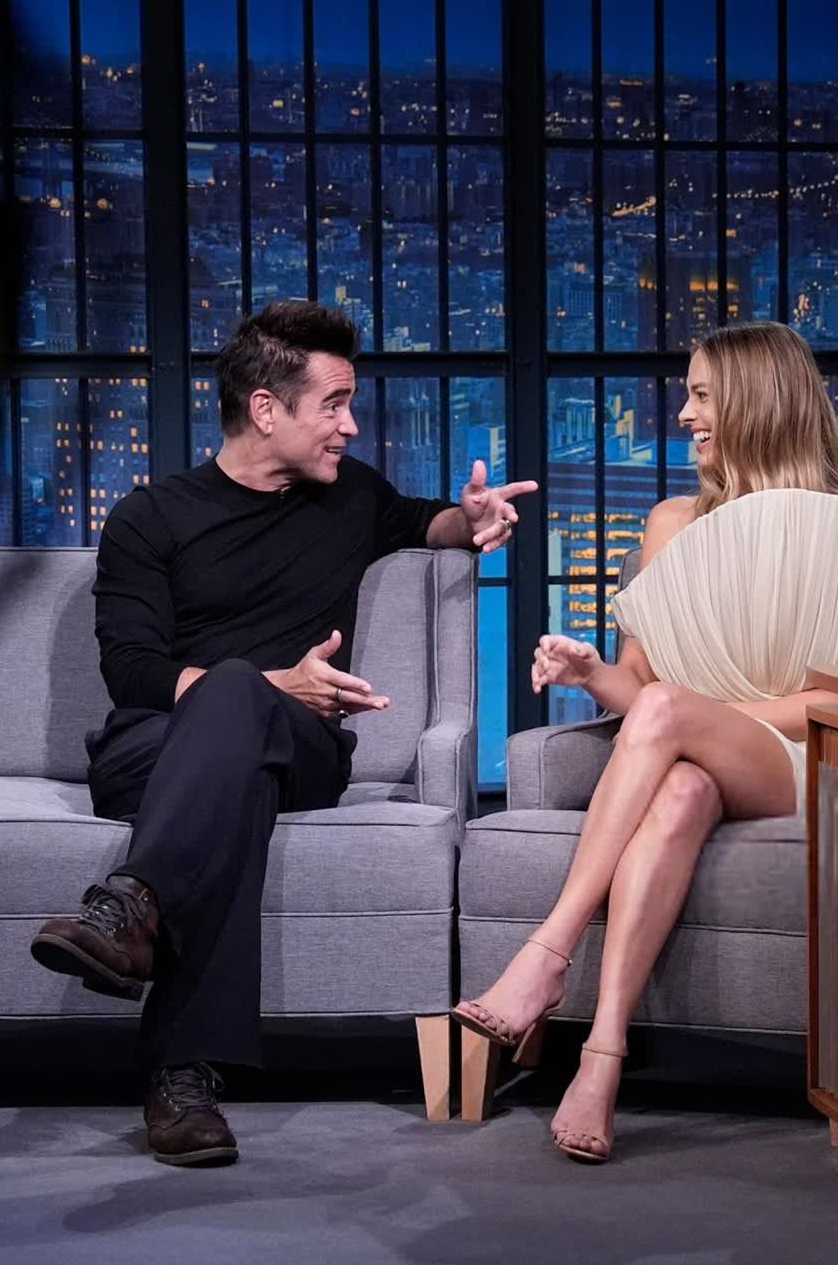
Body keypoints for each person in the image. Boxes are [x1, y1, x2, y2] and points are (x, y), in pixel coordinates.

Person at [32, 300, 534, 1166]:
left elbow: (435, 524)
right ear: (266, 409)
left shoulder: (352, 497)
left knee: (241, 710)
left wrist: (475, 521)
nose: (351, 425)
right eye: (334, 404)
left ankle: (134, 905)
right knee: (236, 740)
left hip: (304, 750)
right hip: (154, 750)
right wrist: (273, 684)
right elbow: (135, 674)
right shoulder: (149, 517)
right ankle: (181, 1077)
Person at [452, 321, 838, 1163]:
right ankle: (602, 1055)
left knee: (673, 720)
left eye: (702, 395)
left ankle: (547, 951)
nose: (683, 415)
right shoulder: (671, 524)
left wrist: (711, 717)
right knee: (679, 787)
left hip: (802, 762)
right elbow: (641, 691)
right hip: (688, 753)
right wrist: (592, 672)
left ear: (756, 403)